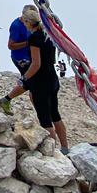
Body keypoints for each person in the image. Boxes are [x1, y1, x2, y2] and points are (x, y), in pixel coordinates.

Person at [20, 10, 69, 154]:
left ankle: (52, 152)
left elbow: (36, 64)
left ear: (29, 22)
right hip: (52, 79)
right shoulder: (48, 35)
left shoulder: (34, 38)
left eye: (24, 22)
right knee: (55, 114)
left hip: (41, 82)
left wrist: (24, 78)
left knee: (45, 118)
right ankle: (65, 148)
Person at [0, 4, 40, 114]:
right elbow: (11, 45)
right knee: (30, 82)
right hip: (20, 58)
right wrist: (28, 43)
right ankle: (6, 100)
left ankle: (6, 100)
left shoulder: (33, 23)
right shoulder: (16, 25)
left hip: (30, 55)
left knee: (32, 82)